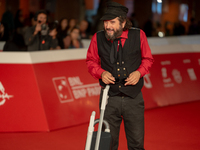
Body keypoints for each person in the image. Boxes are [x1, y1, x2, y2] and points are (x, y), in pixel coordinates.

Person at [86, 1, 154, 150]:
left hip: (134, 98)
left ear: (123, 23)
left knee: (136, 144)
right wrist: (101, 72)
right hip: (109, 98)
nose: (108, 26)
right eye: (105, 22)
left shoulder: (138, 35)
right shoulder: (98, 38)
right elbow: (91, 61)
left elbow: (148, 59)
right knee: (108, 144)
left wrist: (139, 72)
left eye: (112, 22)